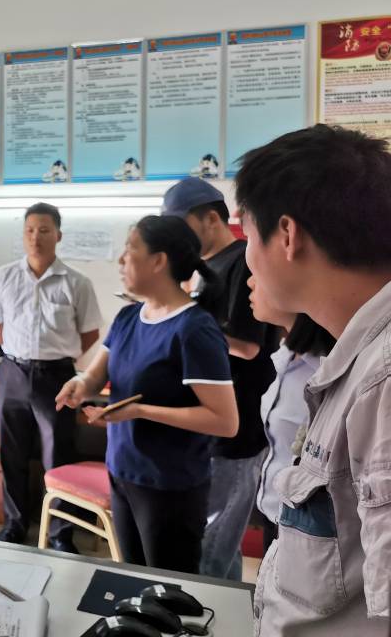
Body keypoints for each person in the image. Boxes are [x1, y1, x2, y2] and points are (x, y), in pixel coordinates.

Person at [236, 124, 391, 636]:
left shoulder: (383, 380)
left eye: (248, 235)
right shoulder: (357, 360)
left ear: (287, 235)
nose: (247, 259)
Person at [56, 216, 238, 574]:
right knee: (133, 578)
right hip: (123, 471)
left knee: (167, 588)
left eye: (130, 250)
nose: (121, 260)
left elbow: (224, 421)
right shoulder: (128, 318)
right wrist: (80, 385)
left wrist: (141, 411)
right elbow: (95, 375)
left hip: (169, 484)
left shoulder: (194, 329)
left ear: (158, 261)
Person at [162, 177, 277, 580]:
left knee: (210, 548)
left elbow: (247, 346)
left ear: (212, 218)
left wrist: (182, 322)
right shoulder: (204, 269)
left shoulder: (242, 263)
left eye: (182, 227)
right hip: (209, 426)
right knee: (221, 547)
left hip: (237, 432)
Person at [0, 202, 102, 551]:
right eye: (30, 230)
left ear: (58, 235)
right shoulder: (4, 276)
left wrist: (59, 357)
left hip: (56, 377)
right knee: (11, 453)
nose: (36, 237)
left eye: (44, 230)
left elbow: (90, 332)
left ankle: (60, 534)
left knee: (58, 456)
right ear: (23, 235)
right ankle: (14, 525)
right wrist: (17, 352)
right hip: (13, 373)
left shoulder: (76, 282)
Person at [247, 277, 335, 551]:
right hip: (274, 514)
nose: (250, 282)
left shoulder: (324, 370)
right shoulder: (286, 355)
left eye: (258, 274)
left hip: (306, 530)